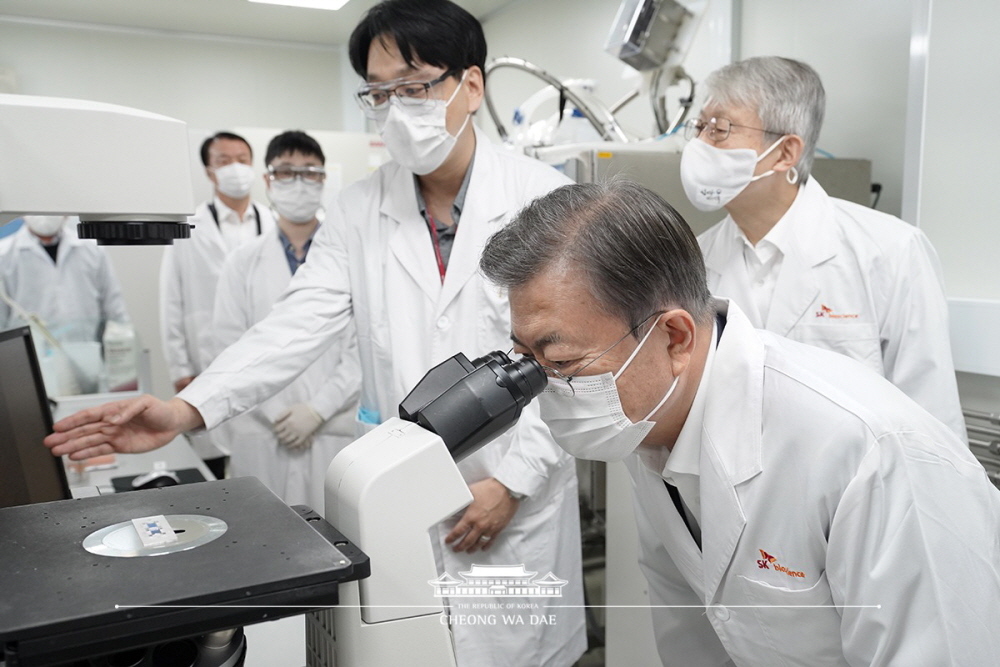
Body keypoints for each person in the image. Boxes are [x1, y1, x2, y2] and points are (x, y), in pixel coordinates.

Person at [45, 2, 586, 666]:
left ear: (470, 86)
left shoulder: (546, 197)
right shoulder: (361, 208)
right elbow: (296, 323)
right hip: (406, 495)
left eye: (413, 86)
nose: (396, 108)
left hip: (512, 501)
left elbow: (576, 360)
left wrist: (516, 480)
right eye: (379, 93)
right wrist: (187, 406)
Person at [478, 179, 1000, 666]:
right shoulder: (648, 422)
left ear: (674, 338)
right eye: (525, 357)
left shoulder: (870, 455)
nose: (544, 386)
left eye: (563, 362)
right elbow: (690, 630)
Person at [681, 56, 967, 443]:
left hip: (862, 496)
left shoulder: (892, 252)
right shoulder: (693, 261)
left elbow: (934, 423)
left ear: (785, 153)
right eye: (699, 127)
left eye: (719, 129)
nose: (699, 145)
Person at [211, 130, 360, 511]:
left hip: (332, 429)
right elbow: (231, 347)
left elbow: (364, 347)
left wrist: (317, 410)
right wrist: (277, 413)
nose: (298, 183)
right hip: (262, 430)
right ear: (267, 181)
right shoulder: (241, 263)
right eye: (286, 172)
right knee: (262, 542)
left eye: (310, 172)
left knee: (339, 544)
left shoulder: (352, 259)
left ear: (324, 180)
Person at [159, 131, 275, 477]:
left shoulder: (272, 223)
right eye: (224, 161)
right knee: (211, 461)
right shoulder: (188, 227)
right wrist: (180, 369)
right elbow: (171, 299)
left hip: (264, 357)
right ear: (210, 172)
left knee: (261, 459)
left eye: (242, 159)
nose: (235, 168)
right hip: (205, 359)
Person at [0, 214, 129, 343]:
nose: (44, 213)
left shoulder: (93, 250)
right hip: (28, 356)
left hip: (87, 353)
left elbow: (115, 311)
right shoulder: (4, 254)